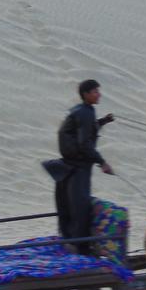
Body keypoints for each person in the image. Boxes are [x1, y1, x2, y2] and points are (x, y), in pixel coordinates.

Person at [42, 79, 115, 253]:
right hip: (78, 169)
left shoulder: (82, 111)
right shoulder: (85, 113)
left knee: (69, 207)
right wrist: (102, 162)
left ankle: (72, 242)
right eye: (96, 91)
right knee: (80, 208)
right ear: (86, 94)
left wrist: (102, 122)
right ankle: (81, 249)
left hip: (68, 168)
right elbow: (84, 144)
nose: (99, 94)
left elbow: (84, 131)